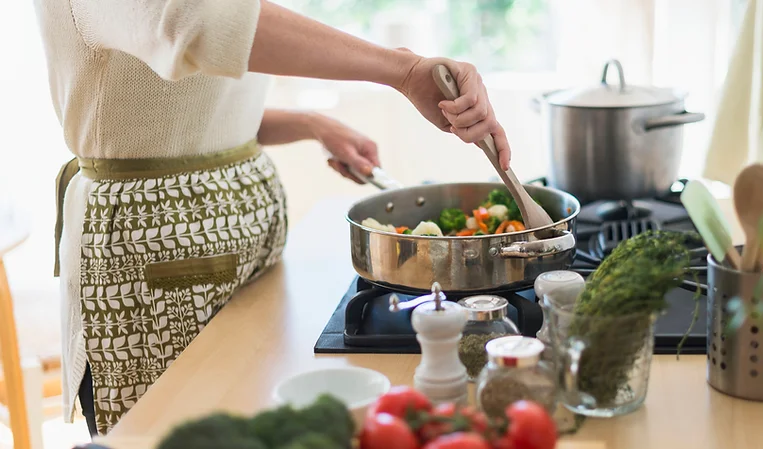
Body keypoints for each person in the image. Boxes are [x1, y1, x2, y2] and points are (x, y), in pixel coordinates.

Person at [33, 0, 512, 436]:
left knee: (248, 424)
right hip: (157, 256)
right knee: (172, 430)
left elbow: (173, 104)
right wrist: (404, 70)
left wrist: (309, 124)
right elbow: (199, 21)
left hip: (238, 246)